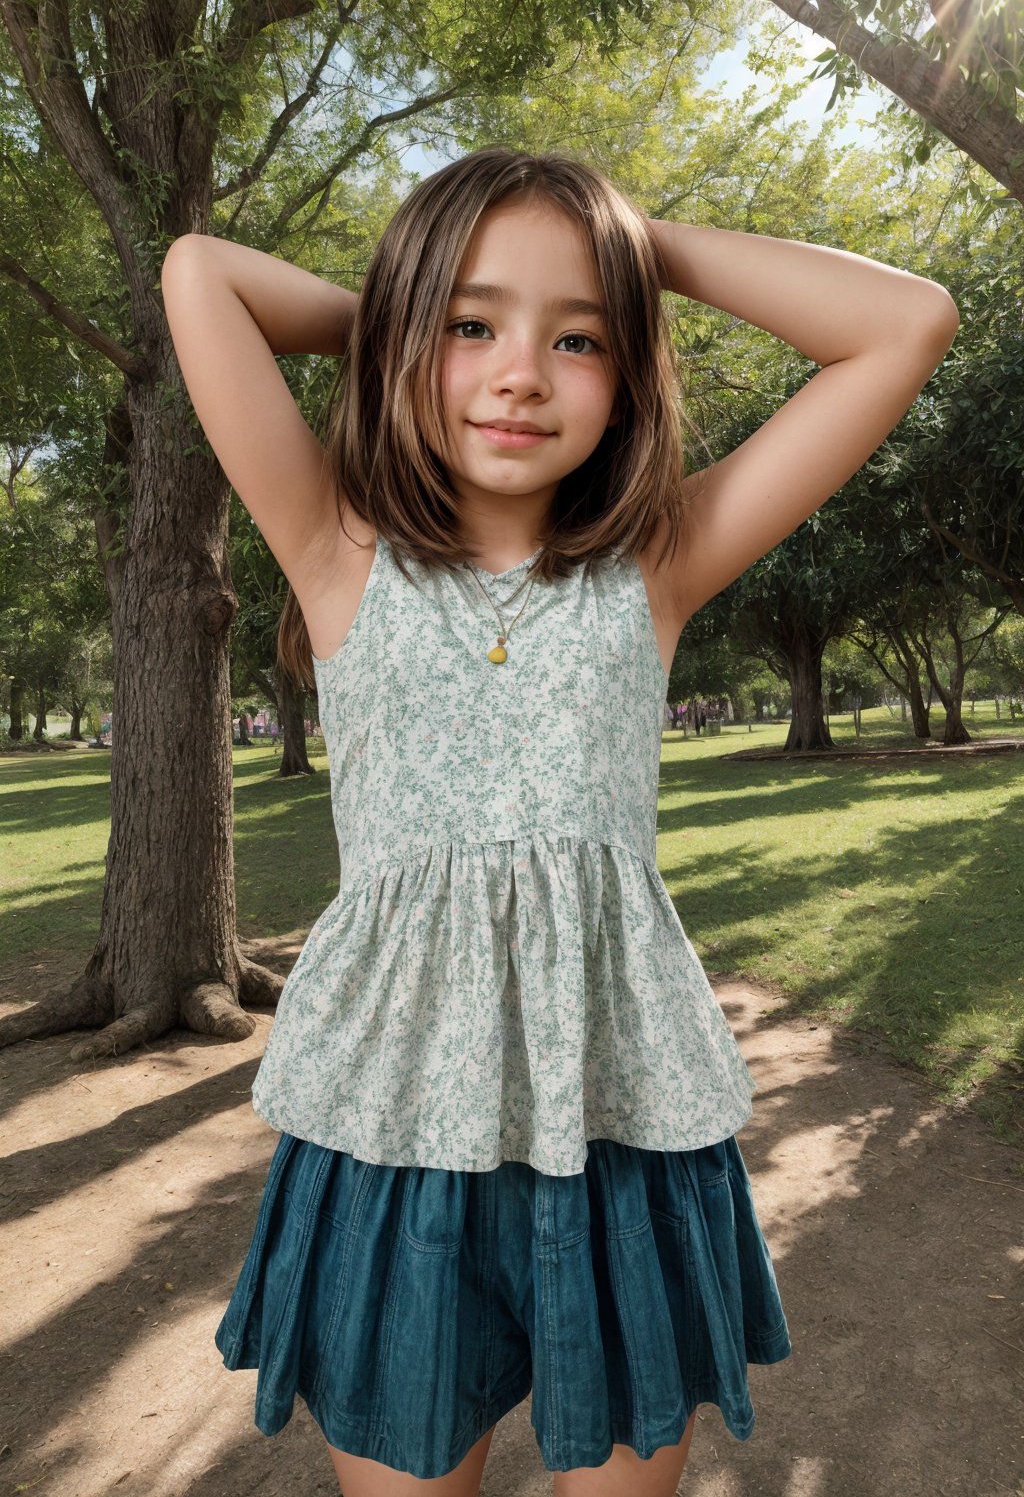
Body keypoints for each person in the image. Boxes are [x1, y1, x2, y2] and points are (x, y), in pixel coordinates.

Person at [161, 146, 958, 1497]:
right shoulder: (331, 547)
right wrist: (408, 310)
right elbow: (202, 273)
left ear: (629, 364)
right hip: (391, 1133)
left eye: (576, 337)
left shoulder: (657, 564)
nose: (520, 372)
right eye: (473, 326)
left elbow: (905, 324)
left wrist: (640, 252)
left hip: (621, 1126)